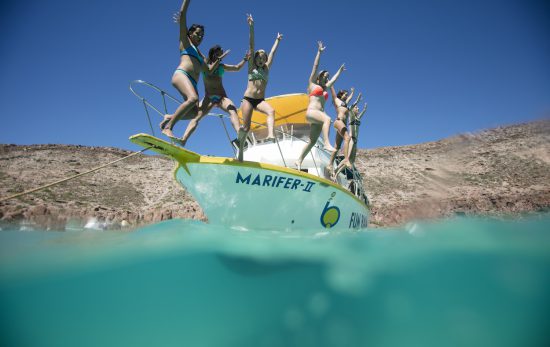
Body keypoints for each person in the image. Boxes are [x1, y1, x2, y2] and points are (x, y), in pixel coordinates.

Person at [178, 46, 252, 146]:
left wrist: (245, 59)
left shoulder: (222, 66)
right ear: (213, 54)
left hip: (221, 97)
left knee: (232, 109)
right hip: (209, 98)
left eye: (221, 54)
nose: (220, 55)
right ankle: (184, 139)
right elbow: (197, 51)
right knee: (196, 117)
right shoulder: (205, 64)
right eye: (218, 54)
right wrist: (190, 40)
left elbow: (237, 68)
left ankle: (239, 133)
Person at [237, 14, 282, 161]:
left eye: (264, 58)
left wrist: (277, 40)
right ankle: (241, 149)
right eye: (259, 58)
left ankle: (270, 135)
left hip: (260, 100)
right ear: (255, 59)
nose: (262, 60)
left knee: (271, 111)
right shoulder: (251, 67)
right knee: (246, 127)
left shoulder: (267, 69)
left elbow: (274, 53)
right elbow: (252, 45)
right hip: (248, 100)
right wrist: (251, 26)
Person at [294, 41, 344, 170]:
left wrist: (339, 71)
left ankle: (298, 161)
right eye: (325, 76)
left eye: (327, 77)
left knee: (312, 141)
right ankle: (327, 143)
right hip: (312, 112)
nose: (327, 79)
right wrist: (319, 52)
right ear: (319, 77)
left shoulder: (325, 87)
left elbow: (333, 80)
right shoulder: (312, 85)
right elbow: (315, 66)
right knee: (327, 118)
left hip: (317, 118)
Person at [160, 0, 206, 140]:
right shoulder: (185, 43)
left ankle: (170, 117)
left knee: (194, 113)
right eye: (197, 34)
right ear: (190, 33)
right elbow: (183, 13)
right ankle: (168, 128)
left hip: (193, 82)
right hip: (182, 75)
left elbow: (208, 69)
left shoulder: (200, 54)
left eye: (202, 36)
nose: (200, 37)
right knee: (193, 98)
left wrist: (221, 61)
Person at [327, 86, 359, 176]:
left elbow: (349, 99)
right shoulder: (337, 100)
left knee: (336, 147)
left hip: (343, 125)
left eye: (347, 95)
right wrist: (331, 84)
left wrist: (352, 92)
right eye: (345, 94)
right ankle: (346, 159)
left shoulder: (344, 103)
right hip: (339, 122)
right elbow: (332, 91)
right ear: (341, 95)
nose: (346, 96)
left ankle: (329, 164)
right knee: (347, 138)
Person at [348, 100, 368, 165]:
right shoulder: (351, 116)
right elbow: (350, 109)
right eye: (356, 107)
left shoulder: (357, 118)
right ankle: (335, 171)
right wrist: (357, 101)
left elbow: (362, 113)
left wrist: (364, 109)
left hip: (356, 140)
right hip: (351, 138)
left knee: (352, 160)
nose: (358, 108)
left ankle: (337, 171)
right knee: (347, 158)